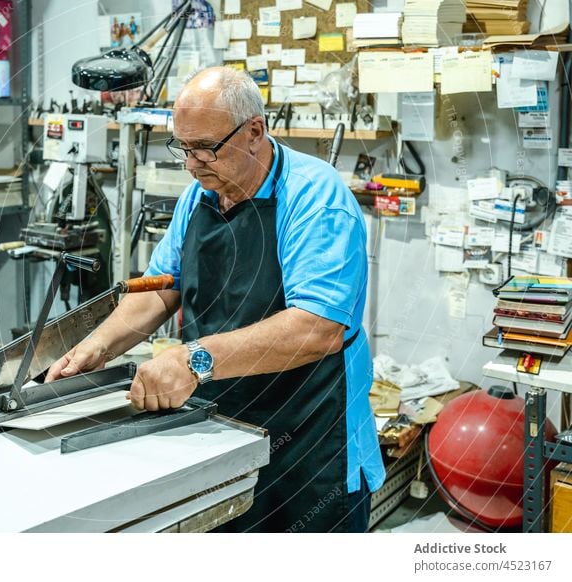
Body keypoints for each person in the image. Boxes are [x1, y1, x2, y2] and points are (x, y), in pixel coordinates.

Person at [47, 67, 385, 533]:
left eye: (205, 147)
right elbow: (163, 285)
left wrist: (192, 360)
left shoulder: (315, 198)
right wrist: (95, 348)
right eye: (183, 148)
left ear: (254, 132)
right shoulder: (198, 196)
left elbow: (317, 328)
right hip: (221, 421)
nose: (191, 163)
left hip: (309, 431)